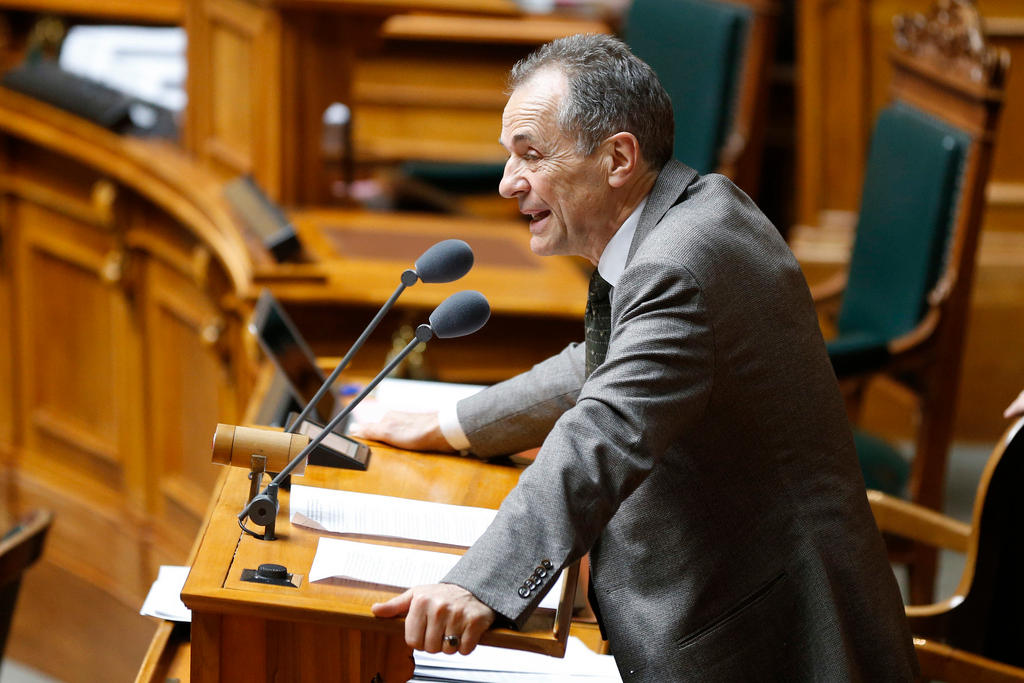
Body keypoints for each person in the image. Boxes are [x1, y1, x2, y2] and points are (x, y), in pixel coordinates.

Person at [354, 34, 918, 681]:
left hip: (768, 643)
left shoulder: (680, 263)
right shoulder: (687, 216)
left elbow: (604, 430)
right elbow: (603, 365)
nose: (509, 183)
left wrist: (481, 584)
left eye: (530, 155)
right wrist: (453, 423)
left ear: (617, 157)